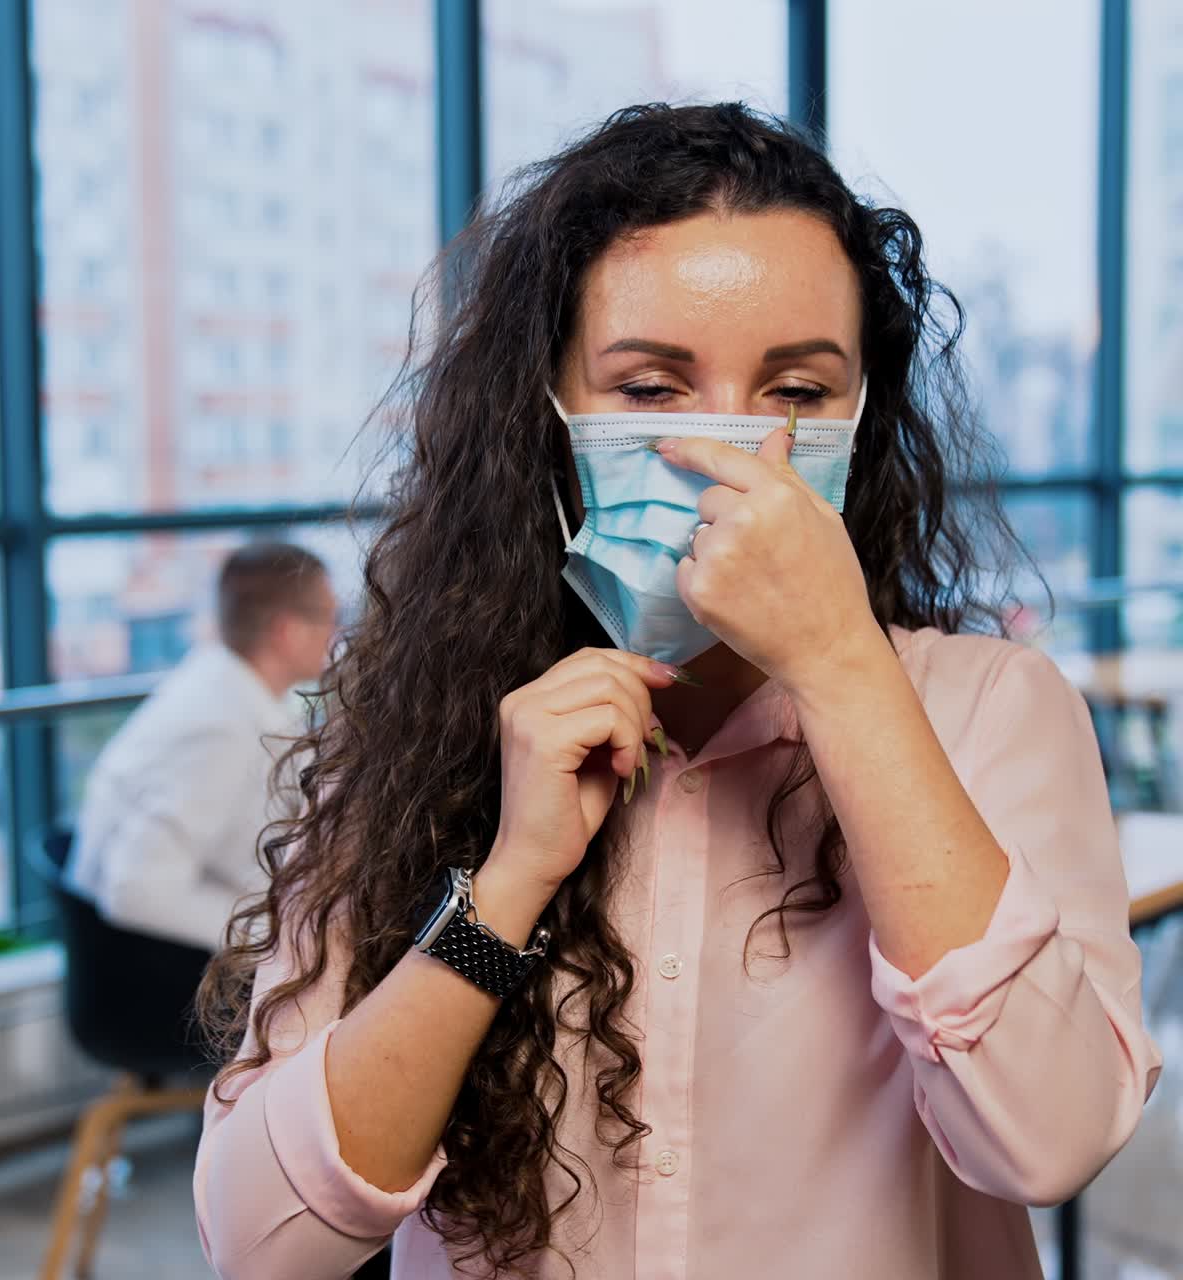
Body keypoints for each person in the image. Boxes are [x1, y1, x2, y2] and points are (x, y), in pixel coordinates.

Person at [192, 104, 1163, 1280]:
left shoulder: (991, 709)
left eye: (796, 392)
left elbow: (1050, 1139)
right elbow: (260, 1241)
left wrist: (843, 668)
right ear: (544, 413)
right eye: (651, 388)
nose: (734, 447)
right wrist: (505, 889)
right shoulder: (421, 729)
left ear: (858, 419)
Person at [67, 541, 336, 952]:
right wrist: (291, 943)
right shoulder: (219, 728)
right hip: (169, 976)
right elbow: (137, 890)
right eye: (329, 618)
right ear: (287, 630)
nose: (336, 635)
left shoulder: (220, 684)